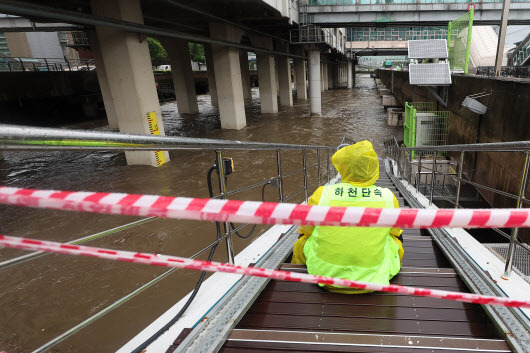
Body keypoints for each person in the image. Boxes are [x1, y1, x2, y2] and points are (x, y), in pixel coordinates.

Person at [292, 140, 404, 294]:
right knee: (394, 242)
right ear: (374, 168)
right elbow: (395, 231)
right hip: (373, 279)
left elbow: (306, 228)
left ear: (343, 167)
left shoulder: (323, 193)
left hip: (325, 277)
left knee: (303, 241)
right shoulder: (387, 197)